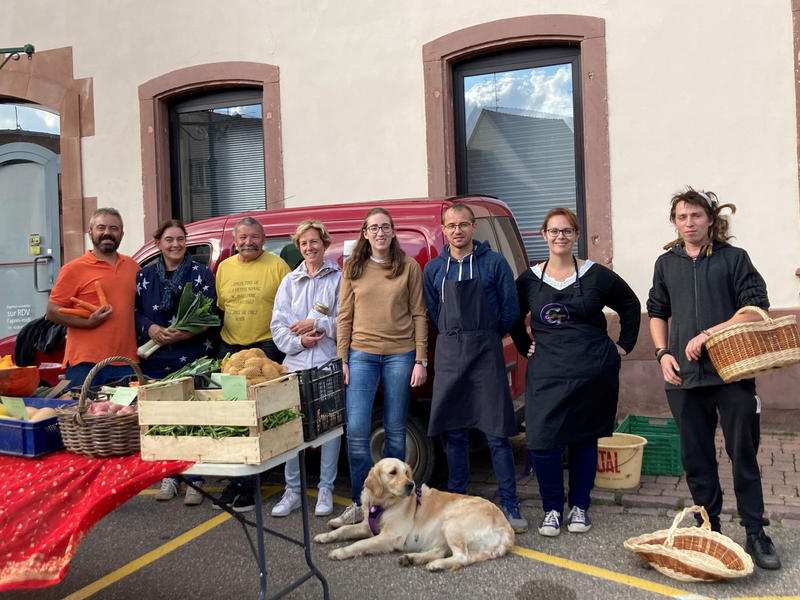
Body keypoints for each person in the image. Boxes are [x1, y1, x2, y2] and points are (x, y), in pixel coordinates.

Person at [647, 187, 780, 570]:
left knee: (744, 455)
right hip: (684, 379)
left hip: (732, 374)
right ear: (674, 222)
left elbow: (756, 308)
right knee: (696, 459)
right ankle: (710, 529)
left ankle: (755, 532)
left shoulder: (734, 258)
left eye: (696, 216)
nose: (689, 223)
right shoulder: (666, 264)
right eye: (682, 217)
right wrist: (662, 354)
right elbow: (657, 311)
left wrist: (709, 334)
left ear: (710, 220)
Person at [510, 207, 640, 538]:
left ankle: (580, 506)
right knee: (543, 442)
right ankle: (552, 509)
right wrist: (525, 345)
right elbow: (512, 316)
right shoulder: (529, 279)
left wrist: (623, 346)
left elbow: (629, 304)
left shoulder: (597, 275)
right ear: (544, 235)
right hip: (547, 372)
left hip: (591, 371)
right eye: (554, 231)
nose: (560, 236)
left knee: (584, 440)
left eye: (567, 231)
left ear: (576, 235)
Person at [423, 202, 528, 533]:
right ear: (443, 229)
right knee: (454, 432)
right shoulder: (434, 269)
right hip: (450, 353)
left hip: (486, 353)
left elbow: (511, 309)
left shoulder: (494, 263)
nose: (458, 230)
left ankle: (509, 502)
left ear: (474, 227)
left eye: (463, 224)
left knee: (496, 432)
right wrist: (457, 334)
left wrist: (484, 334)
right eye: (451, 225)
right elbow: (433, 311)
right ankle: (457, 502)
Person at [329, 208, 428, 528]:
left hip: (401, 354)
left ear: (393, 231)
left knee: (395, 429)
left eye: (385, 227)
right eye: (374, 228)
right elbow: (344, 315)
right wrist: (343, 358)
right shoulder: (354, 267)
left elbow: (419, 313)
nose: (380, 232)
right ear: (365, 233)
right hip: (361, 354)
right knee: (357, 430)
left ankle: (395, 505)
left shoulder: (408, 266)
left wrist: (420, 359)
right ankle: (361, 503)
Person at [135, 219, 217, 506]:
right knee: (163, 420)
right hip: (155, 360)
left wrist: (182, 333)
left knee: (193, 418)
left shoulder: (201, 274)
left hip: (191, 357)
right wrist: (150, 329)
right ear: (158, 243)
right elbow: (133, 312)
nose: (175, 244)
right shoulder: (144, 276)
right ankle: (169, 475)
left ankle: (196, 478)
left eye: (180, 239)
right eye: (169, 239)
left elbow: (209, 316)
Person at [213, 216, 291, 512]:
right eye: (243, 237)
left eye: (254, 237)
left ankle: (252, 482)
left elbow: (289, 308)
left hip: (266, 350)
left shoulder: (277, 266)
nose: (249, 242)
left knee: (260, 418)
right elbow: (223, 307)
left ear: (264, 239)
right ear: (235, 241)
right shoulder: (224, 268)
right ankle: (238, 478)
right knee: (234, 416)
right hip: (232, 352)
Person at [270, 219, 342, 518]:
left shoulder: (339, 278)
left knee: (331, 426)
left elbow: (347, 322)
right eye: (303, 243)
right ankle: (293, 491)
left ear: (324, 244)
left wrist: (318, 323)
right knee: (292, 426)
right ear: (298, 247)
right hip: (296, 365)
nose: (309, 247)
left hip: (328, 363)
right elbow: (277, 327)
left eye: (314, 241)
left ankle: (325, 488)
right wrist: (301, 342)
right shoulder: (289, 282)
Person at [45, 207, 139, 387]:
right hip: (85, 363)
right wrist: (88, 323)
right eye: (101, 227)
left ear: (121, 234)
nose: (107, 233)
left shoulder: (132, 267)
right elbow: (52, 312)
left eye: (114, 228)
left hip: (125, 362)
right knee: (83, 405)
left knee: (128, 406)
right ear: (90, 233)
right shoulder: (73, 269)